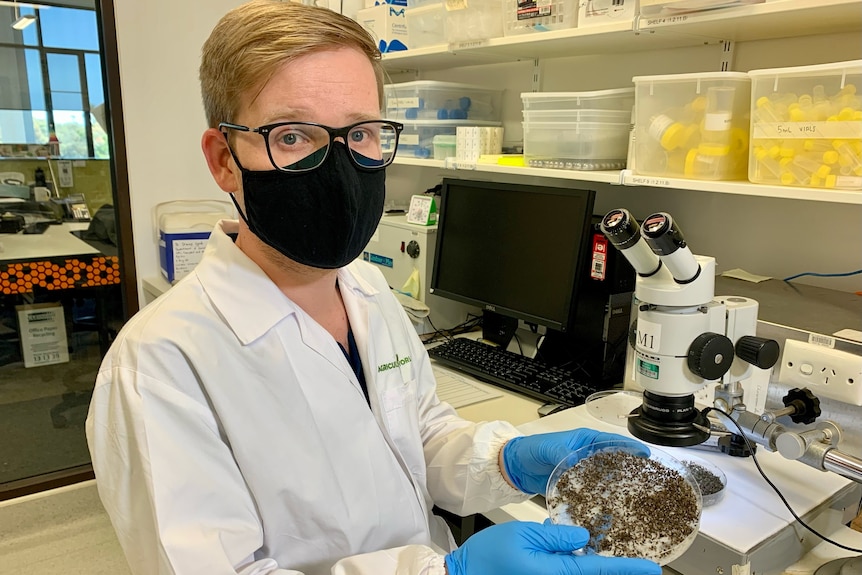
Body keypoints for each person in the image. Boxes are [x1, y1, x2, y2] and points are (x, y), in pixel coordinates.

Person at [86, 2, 662, 574]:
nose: (338, 166)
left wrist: (506, 460)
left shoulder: (364, 287)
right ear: (224, 160)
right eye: (292, 136)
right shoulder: (158, 366)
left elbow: (416, 437)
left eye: (360, 132)